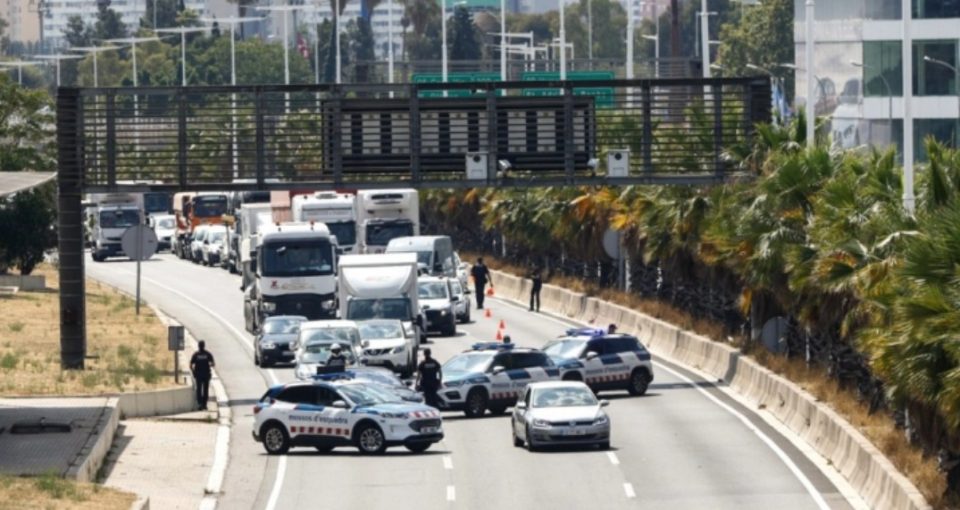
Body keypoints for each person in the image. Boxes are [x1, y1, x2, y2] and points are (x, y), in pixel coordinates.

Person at [190, 340, 216, 410]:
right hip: (204, 374)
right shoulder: (207, 354)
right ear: (204, 346)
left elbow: (191, 364)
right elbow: (213, 363)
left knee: (200, 389)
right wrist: (210, 364)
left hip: (200, 375)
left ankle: (201, 404)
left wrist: (193, 372)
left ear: (198, 346)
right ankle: (203, 404)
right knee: (204, 390)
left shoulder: (196, 354)